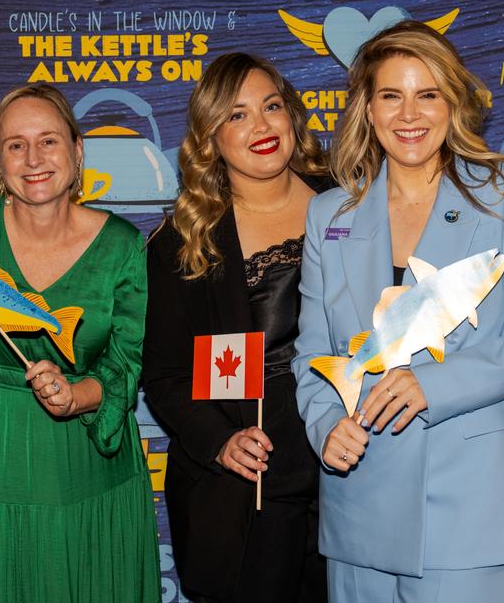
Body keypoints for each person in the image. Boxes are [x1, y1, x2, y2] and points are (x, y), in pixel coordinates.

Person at [292, 20, 504, 602]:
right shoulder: (329, 215)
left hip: (472, 502)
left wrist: (435, 384)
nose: (409, 115)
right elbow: (313, 354)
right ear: (366, 110)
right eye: (391, 96)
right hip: (359, 497)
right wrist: (326, 426)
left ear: (453, 102)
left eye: (428, 94)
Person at [0, 83, 159, 602]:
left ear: (78, 152)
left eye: (49, 141)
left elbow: (126, 363)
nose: (33, 158)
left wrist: (79, 394)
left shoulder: (122, 243)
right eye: (15, 145)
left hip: (83, 462)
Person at [143, 53, 330, 602]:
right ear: (210, 138)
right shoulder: (185, 240)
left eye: (271, 106)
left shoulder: (350, 203)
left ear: (293, 114)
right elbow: (167, 377)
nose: (262, 126)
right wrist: (221, 441)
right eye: (237, 115)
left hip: (346, 472)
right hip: (249, 485)